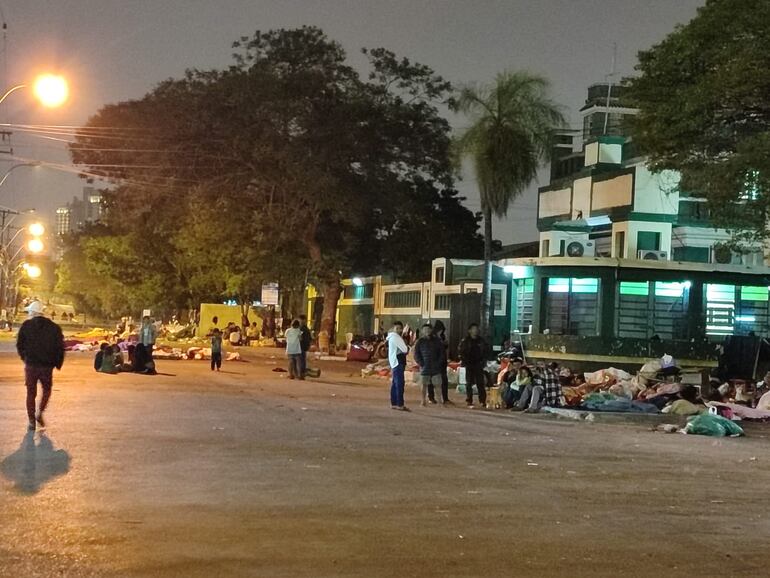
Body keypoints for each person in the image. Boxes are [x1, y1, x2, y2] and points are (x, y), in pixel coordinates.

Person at [16, 300, 65, 431]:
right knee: (47, 390)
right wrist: (57, 363)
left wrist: (25, 358)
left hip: (31, 365)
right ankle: (40, 412)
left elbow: (20, 345)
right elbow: (60, 347)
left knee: (31, 393)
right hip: (46, 366)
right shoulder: (54, 327)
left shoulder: (26, 326)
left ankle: (31, 420)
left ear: (32, 312)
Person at [414, 323, 446, 406]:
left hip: (435, 367)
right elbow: (416, 354)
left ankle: (440, 401)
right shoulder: (420, 342)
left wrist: (438, 363)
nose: (427, 331)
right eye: (425, 329)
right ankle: (423, 400)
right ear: (422, 331)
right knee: (423, 385)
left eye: (428, 329)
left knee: (438, 385)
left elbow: (442, 353)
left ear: (431, 330)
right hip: (425, 367)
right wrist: (421, 363)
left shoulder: (437, 341)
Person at [458, 323, 488, 409]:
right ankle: (469, 400)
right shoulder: (465, 341)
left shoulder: (481, 341)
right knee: (469, 383)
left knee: (480, 383)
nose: (475, 330)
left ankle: (482, 401)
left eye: (476, 329)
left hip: (478, 364)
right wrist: (464, 361)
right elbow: (461, 352)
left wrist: (483, 362)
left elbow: (486, 351)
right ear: (469, 330)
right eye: (473, 329)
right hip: (469, 364)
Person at [387, 321, 409, 411]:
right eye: (397, 328)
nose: (399, 330)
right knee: (399, 384)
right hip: (398, 362)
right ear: (393, 328)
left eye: (400, 328)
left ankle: (394, 403)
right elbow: (405, 349)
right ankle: (400, 404)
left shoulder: (392, 337)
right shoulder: (396, 338)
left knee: (395, 384)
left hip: (394, 362)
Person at [433, 320, 452, 404]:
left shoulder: (442, 336)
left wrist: (445, 344)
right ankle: (431, 397)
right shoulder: (432, 337)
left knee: (444, 380)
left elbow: (445, 347)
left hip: (442, 361)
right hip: (434, 361)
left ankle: (445, 398)